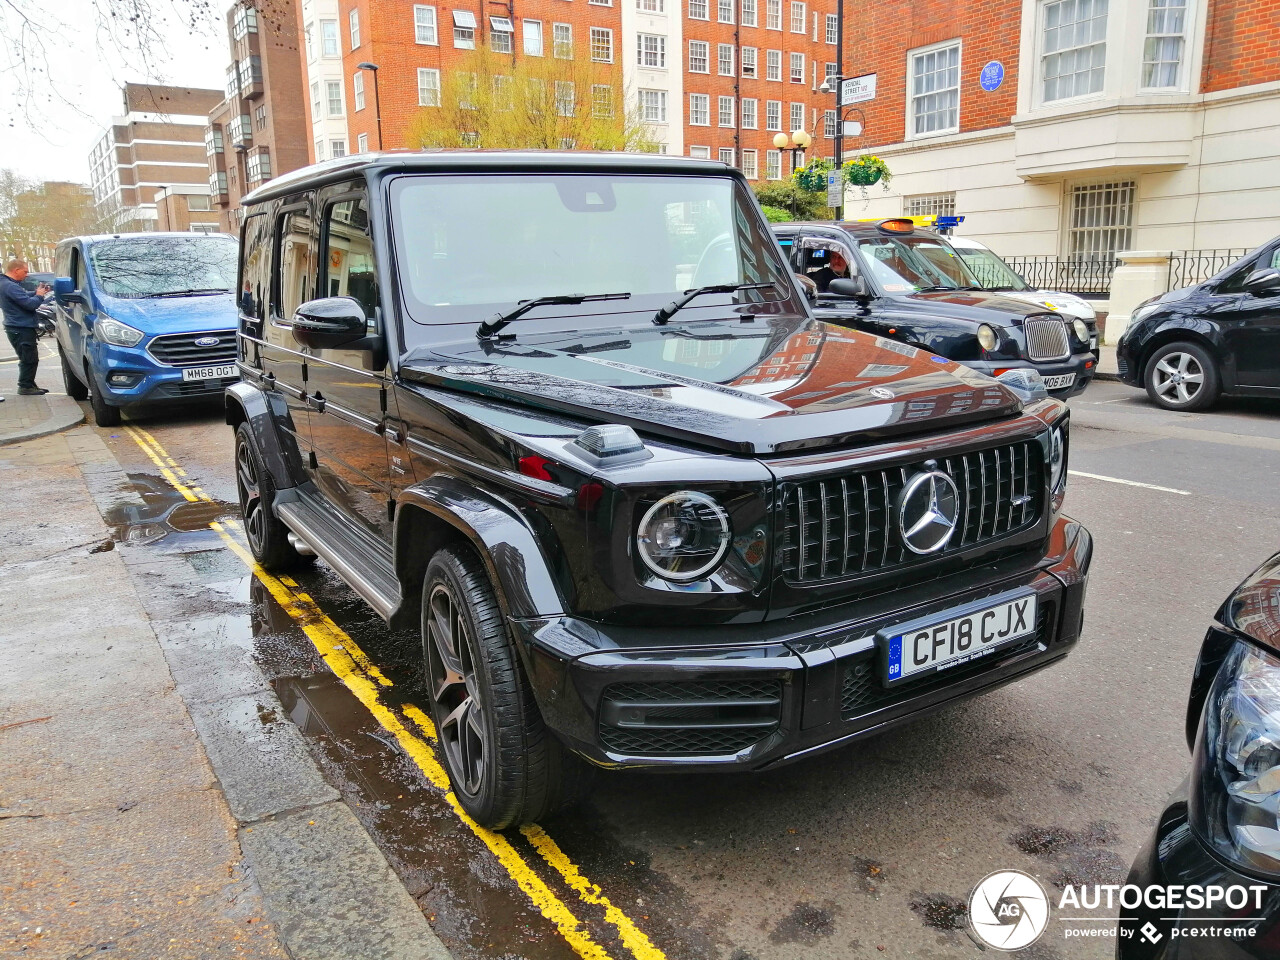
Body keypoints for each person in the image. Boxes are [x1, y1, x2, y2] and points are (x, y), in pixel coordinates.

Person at [1, 259, 52, 396]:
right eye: (25, 271)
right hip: (20, 328)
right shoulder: (10, 286)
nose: (27, 274)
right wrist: (39, 297)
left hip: (18, 327)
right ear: (16, 270)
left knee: (28, 358)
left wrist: (37, 293)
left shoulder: (7, 284)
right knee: (29, 359)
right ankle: (25, 386)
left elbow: (21, 297)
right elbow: (29, 305)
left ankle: (29, 384)